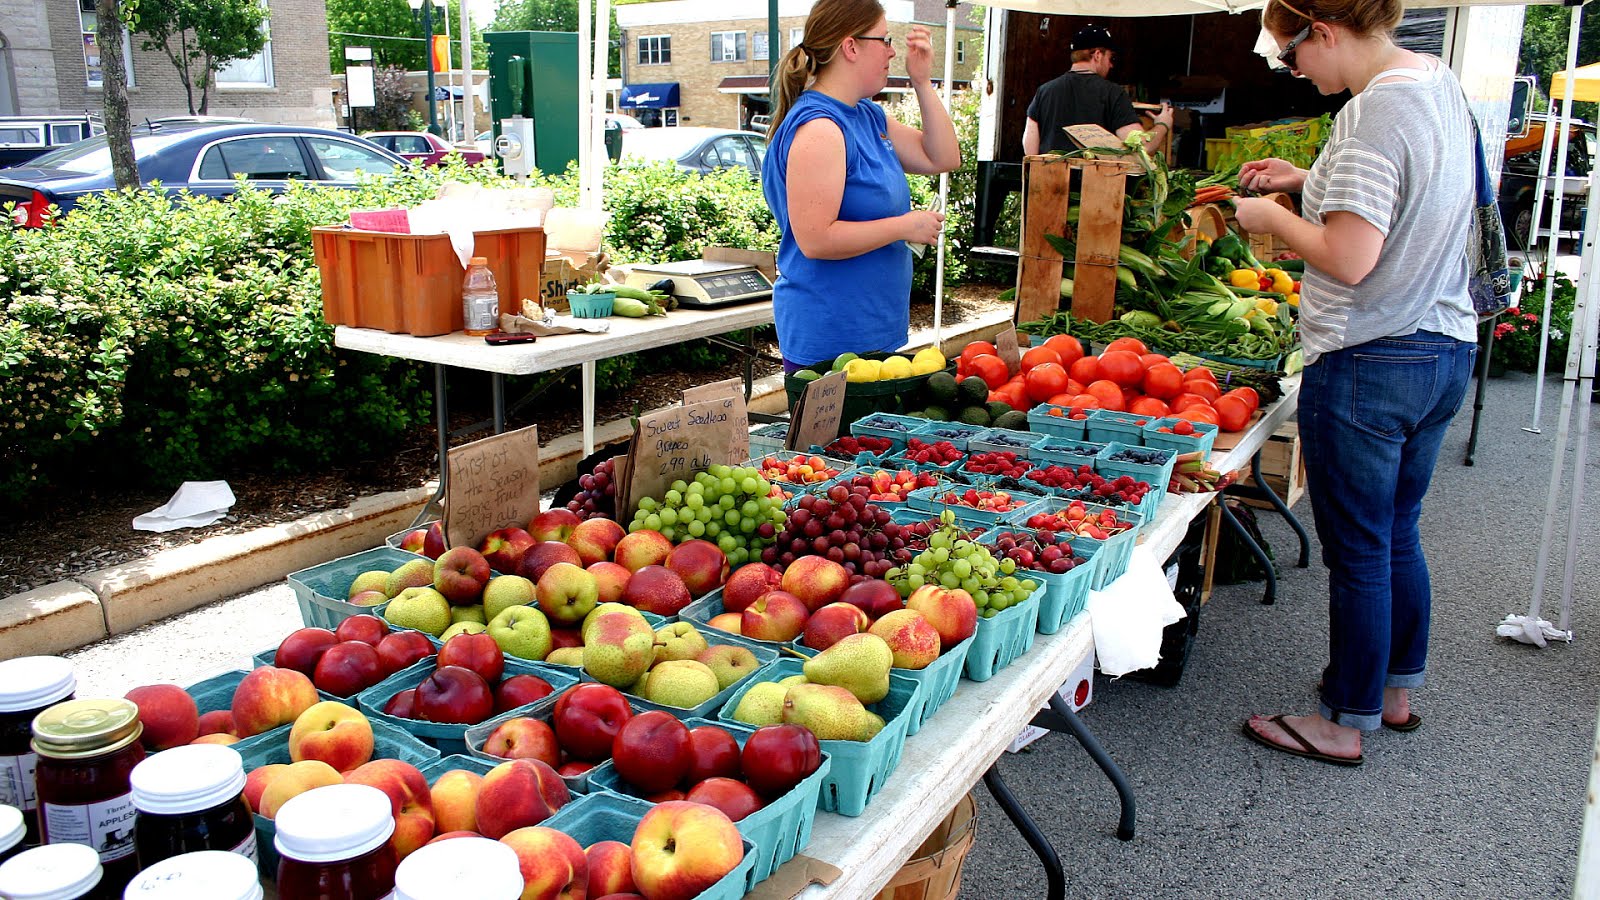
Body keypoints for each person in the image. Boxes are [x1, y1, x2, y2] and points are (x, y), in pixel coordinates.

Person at [1233, 0, 1479, 766]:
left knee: (1362, 549)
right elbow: (1416, 189)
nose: (1293, 71)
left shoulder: (1372, 114)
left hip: (1372, 356)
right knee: (1397, 530)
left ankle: (1345, 720)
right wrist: (1311, 177)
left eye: (1290, 54)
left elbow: (1347, 258)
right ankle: (1394, 692)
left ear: (1325, 33)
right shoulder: (1434, 80)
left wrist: (1268, 217)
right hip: (1442, 347)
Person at [761, 0, 961, 371]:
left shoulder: (868, 116)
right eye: (883, 40)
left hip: (874, 330)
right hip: (831, 337)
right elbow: (816, 239)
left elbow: (943, 157)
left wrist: (921, 82)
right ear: (850, 47)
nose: (892, 50)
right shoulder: (820, 128)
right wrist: (905, 226)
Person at [1021, 24, 1173, 156]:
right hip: (1095, 186)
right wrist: (1163, 124)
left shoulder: (1044, 91)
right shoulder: (1113, 93)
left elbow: (1030, 150)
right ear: (1098, 55)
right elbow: (1141, 148)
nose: (1111, 65)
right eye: (1110, 58)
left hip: (1048, 184)